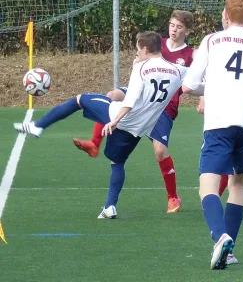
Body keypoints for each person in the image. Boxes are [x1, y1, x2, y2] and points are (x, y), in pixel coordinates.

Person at [14, 31, 194, 219]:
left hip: (119, 117)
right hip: (138, 129)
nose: (136, 54)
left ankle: (38, 126)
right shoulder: (178, 70)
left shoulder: (141, 67)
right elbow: (196, 83)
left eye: (138, 50)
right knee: (117, 162)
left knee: (79, 100)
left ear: (146, 49)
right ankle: (109, 207)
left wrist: (114, 121)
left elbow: (130, 101)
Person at [182, 0, 243, 270]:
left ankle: (219, 236)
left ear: (225, 14)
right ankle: (230, 249)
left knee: (207, 184)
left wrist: (212, 88)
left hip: (220, 121)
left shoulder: (211, 41)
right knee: (238, 182)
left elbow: (188, 86)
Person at [73, 10, 195, 214]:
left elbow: (196, 80)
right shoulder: (158, 44)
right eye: (172, 25)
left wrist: (203, 98)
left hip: (163, 107)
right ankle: (94, 143)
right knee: (112, 95)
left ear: (188, 31)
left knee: (160, 151)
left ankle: (173, 197)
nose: (174, 30)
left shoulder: (191, 55)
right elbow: (138, 63)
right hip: (139, 96)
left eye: (179, 27)